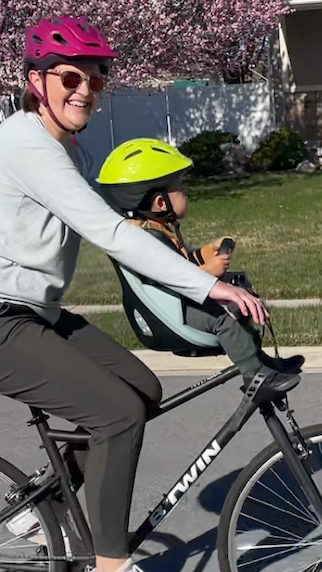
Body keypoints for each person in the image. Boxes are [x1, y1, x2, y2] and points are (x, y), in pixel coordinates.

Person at [0, 16, 275, 572]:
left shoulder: (67, 146)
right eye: (69, 77)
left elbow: (119, 226)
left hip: (26, 311)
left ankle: (44, 510)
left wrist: (182, 266)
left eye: (95, 79)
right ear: (36, 81)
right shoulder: (26, 142)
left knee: (140, 388)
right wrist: (207, 291)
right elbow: (109, 232)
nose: (84, 89)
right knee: (112, 414)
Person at [96, 138, 305, 386]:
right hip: (171, 313)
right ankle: (255, 377)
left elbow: (178, 263)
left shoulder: (156, 229)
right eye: (181, 188)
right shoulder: (144, 239)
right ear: (161, 202)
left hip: (180, 302)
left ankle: (261, 363)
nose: (186, 191)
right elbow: (169, 277)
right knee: (223, 316)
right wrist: (208, 272)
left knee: (239, 287)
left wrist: (206, 253)